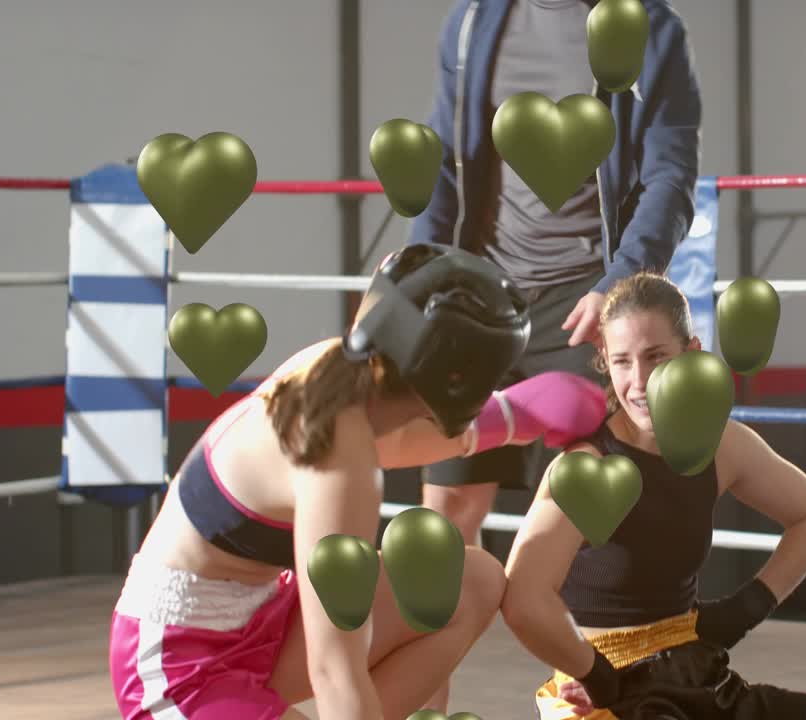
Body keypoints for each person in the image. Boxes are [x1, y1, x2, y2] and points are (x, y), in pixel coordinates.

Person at [107, 245, 607, 720]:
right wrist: (507, 413)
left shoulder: (334, 373)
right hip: (178, 663)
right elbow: (335, 671)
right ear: (458, 381)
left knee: (471, 582)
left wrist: (512, 416)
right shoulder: (339, 471)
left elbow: (406, 433)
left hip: (264, 619)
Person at [407, 0, 702, 566]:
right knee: (443, 516)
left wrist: (617, 285)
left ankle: (583, 653)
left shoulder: (650, 30)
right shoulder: (471, 25)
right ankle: (421, 653)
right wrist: (423, 263)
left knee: (579, 525)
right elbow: (443, 162)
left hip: (584, 301)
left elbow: (671, 178)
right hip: (478, 300)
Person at [500, 272, 806, 719]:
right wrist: (595, 673)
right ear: (605, 361)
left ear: (692, 353)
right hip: (598, 692)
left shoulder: (722, 445)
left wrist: (742, 611)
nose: (640, 381)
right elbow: (522, 598)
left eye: (656, 357)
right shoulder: (585, 467)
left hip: (693, 672)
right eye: (624, 361)